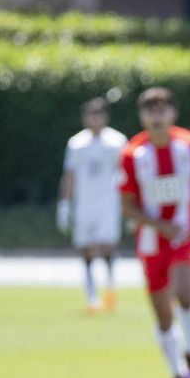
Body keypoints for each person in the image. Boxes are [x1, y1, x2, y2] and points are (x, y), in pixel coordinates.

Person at [118, 86, 190, 378]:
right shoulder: (132, 154)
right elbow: (127, 205)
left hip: (184, 233)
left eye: (162, 109)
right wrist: (158, 225)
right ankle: (178, 372)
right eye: (150, 110)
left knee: (183, 293)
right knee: (161, 311)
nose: (156, 116)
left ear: (173, 114)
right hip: (152, 239)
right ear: (142, 116)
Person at [57, 97, 128, 314]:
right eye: (90, 114)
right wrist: (64, 205)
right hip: (85, 204)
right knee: (86, 249)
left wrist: (129, 204)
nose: (95, 118)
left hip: (108, 203)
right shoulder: (76, 143)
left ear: (105, 117)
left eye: (98, 114)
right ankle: (91, 296)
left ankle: (110, 291)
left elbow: (127, 173)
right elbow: (69, 175)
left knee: (107, 247)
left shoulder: (117, 141)